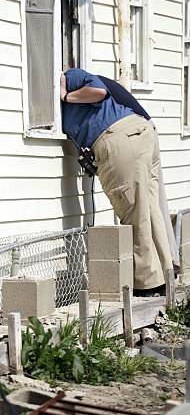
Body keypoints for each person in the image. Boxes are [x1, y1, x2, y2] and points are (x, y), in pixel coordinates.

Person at [60, 68, 175, 296]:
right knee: (149, 209)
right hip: (142, 133)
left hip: (118, 138)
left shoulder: (68, 76)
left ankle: (146, 284)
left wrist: (64, 96)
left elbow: (98, 91)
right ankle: (166, 274)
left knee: (133, 211)